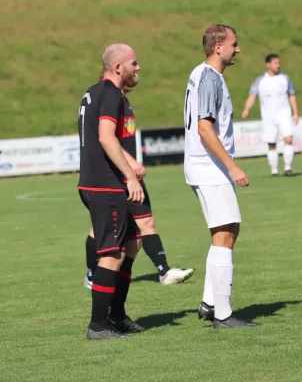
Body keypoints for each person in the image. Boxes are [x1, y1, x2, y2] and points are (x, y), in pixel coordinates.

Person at [184, 24, 260, 328]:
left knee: (227, 230)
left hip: (206, 167)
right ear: (218, 47)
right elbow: (205, 129)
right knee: (225, 234)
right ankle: (223, 315)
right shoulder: (210, 79)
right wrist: (232, 166)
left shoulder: (203, 74)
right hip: (209, 167)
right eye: (234, 44)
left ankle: (209, 303)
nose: (237, 49)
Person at [83, 85, 194, 290]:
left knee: (145, 223)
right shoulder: (108, 100)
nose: (137, 72)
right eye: (132, 66)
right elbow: (106, 140)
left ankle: (163, 271)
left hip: (129, 176)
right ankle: (92, 275)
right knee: (101, 229)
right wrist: (131, 163)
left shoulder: (122, 101)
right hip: (116, 176)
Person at [78, 43, 145, 340]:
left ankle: (117, 315)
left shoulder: (93, 91)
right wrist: (130, 177)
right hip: (104, 184)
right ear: (118, 67)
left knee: (132, 243)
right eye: (134, 63)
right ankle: (98, 325)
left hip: (98, 182)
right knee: (112, 254)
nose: (138, 68)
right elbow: (106, 137)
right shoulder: (109, 94)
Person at [242, 54, 299, 176]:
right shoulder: (260, 81)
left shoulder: (285, 78)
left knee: (288, 138)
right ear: (268, 64)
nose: (278, 65)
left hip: (284, 113)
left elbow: (291, 95)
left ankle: (288, 168)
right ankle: (274, 170)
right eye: (275, 63)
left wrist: (295, 112)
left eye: (278, 63)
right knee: (271, 143)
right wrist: (247, 109)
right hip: (268, 116)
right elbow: (252, 96)